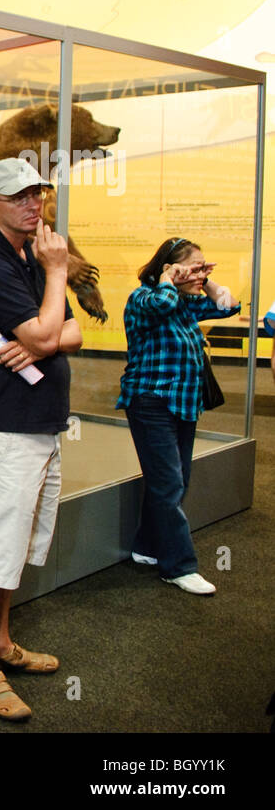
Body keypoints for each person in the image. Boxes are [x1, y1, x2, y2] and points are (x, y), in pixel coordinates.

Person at [0, 157, 82, 722]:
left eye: (38, 193)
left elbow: (71, 331)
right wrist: (57, 276)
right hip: (2, 431)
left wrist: (44, 341)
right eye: (20, 196)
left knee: (17, 547)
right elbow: (46, 327)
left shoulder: (27, 253)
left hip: (36, 427)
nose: (34, 203)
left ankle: (3, 645)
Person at [116, 237, 239, 596]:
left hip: (184, 402)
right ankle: (179, 567)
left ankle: (146, 546)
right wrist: (170, 277)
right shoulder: (144, 298)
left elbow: (228, 306)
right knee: (169, 483)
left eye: (204, 266)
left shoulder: (187, 303)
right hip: (151, 402)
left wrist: (205, 279)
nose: (201, 273)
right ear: (169, 267)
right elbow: (162, 301)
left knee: (175, 479)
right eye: (194, 266)